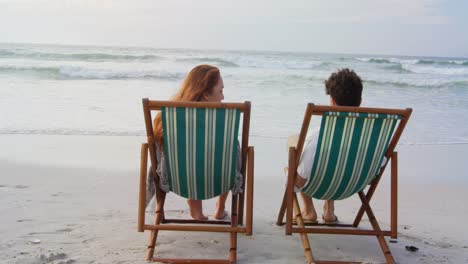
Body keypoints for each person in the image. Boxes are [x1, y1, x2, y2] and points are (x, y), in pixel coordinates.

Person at [148, 64, 242, 221]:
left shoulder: (170, 122)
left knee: (189, 151)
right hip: (220, 179)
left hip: (179, 180)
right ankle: (220, 208)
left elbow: (159, 156)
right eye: (221, 91)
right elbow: (236, 163)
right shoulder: (224, 126)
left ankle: (195, 207)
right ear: (206, 94)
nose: (223, 97)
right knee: (231, 148)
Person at [289, 68, 363, 224]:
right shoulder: (369, 137)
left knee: (295, 144)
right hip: (351, 185)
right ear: (360, 101)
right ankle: (329, 210)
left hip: (320, 185)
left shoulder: (317, 137)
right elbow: (379, 167)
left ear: (332, 102)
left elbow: (301, 180)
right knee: (338, 154)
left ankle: (309, 211)